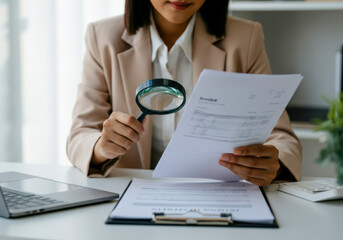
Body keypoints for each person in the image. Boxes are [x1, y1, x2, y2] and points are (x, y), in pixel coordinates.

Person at [67, 0, 302, 186]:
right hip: (130, 192)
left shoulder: (246, 38)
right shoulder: (102, 37)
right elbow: (80, 135)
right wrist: (101, 147)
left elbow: (282, 138)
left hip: (216, 195)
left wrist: (274, 163)